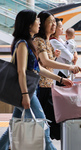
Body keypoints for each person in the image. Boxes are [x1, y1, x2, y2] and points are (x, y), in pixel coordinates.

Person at [0, 9, 74, 150]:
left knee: (13, 127)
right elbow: (21, 71)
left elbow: (38, 69)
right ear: (28, 24)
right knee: (43, 127)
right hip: (27, 91)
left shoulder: (29, 43)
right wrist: (25, 95)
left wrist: (60, 79)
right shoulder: (22, 44)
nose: (39, 23)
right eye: (36, 20)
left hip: (29, 90)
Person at [34, 11, 81, 140]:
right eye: (50, 22)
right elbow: (44, 63)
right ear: (42, 24)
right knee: (49, 121)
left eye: (54, 22)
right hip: (40, 86)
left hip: (48, 85)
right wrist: (69, 67)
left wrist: (55, 56)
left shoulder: (46, 41)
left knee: (44, 121)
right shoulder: (39, 41)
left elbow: (47, 64)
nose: (53, 24)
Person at [50, 18, 77, 85]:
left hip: (65, 73)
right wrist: (74, 55)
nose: (62, 28)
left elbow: (71, 50)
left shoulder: (60, 39)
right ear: (54, 28)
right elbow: (69, 57)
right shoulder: (53, 41)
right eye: (60, 26)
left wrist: (75, 53)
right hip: (60, 73)